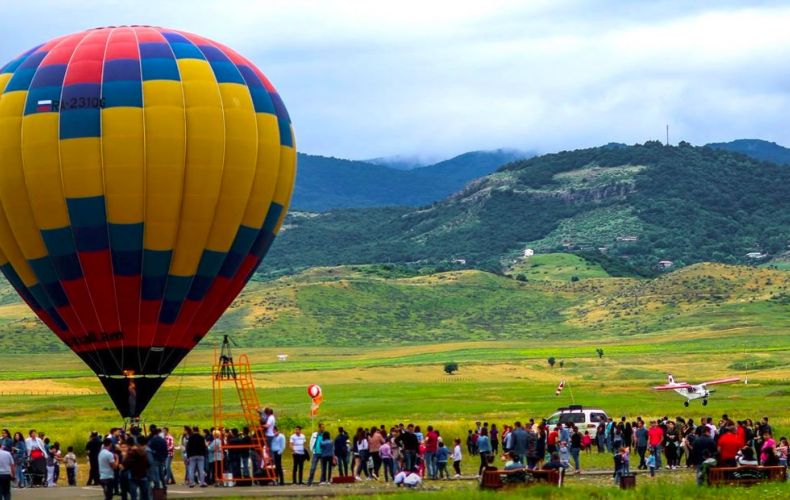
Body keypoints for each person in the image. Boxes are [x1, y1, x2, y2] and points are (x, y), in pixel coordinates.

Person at [147, 426, 168, 490]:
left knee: (156, 474)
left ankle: (157, 486)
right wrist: (164, 457)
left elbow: (149, 449)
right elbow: (165, 450)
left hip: (155, 458)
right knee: (161, 473)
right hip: (161, 458)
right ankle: (164, 485)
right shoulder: (162, 440)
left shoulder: (152, 440)